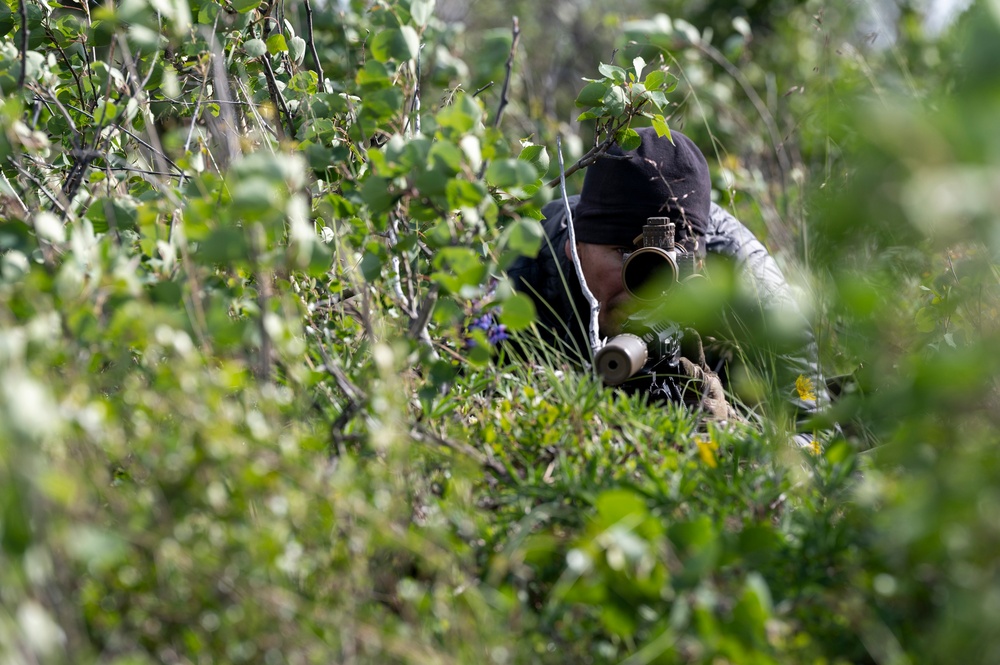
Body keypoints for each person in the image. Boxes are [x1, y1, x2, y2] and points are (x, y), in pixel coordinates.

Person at [505, 126, 830, 438]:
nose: (645, 288)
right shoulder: (526, 266)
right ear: (574, 249)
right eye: (624, 253)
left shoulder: (747, 286)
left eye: (666, 264)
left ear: (699, 262)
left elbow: (818, 437)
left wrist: (736, 430)